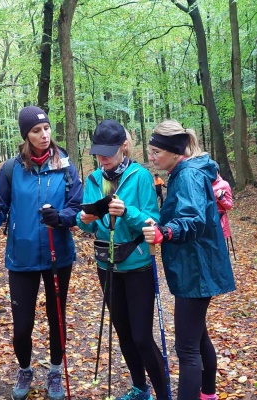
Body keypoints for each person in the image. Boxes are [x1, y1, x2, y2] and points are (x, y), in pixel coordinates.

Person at [0, 106, 83, 400]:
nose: (43, 135)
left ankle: (56, 371)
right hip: (21, 257)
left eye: (46, 129)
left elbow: (77, 207)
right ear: (26, 135)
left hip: (59, 255)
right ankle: (25, 369)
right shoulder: (11, 169)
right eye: (36, 131)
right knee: (22, 326)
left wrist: (61, 218)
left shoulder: (66, 166)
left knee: (57, 318)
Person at [142, 120, 236, 400]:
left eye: (157, 151)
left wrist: (165, 232)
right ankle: (208, 394)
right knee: (198, 336)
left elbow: (193, 218)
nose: (152, 156)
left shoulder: (188, 176)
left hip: (196, 269)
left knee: (187, 348)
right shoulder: (185, 171)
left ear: (174, 152)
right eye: (151, 150)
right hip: (196, 265)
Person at [77, 119, 168, 400]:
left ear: (124, 147)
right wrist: (86, 220)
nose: (102, 157)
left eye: (108, 151)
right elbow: (89, 225)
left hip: (137, 264)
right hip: (106, 265)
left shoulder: (140, 176)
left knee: (141, 336)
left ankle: (163, 394)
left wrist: (127, 212)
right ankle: (140, 389)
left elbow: (154, 223)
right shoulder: (93, 179)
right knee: (124, 334)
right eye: (98, 152)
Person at [211, 164, 233, 240]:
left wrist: (221, 198)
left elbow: (229, 205)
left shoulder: (224, 185)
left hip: (220, 221)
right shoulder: (205, 184)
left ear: (218, 172)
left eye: (214, 171)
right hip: (207, 221)